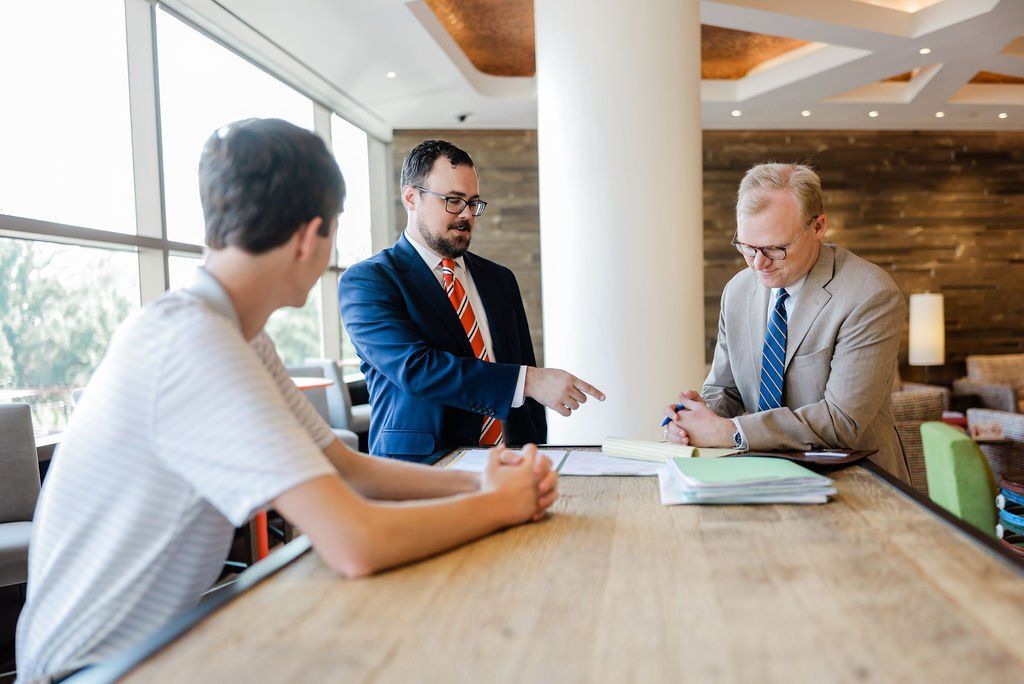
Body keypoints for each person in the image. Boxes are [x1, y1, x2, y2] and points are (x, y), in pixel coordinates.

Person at [15, 119, 557, 683]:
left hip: (162, 643)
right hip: (94, 670)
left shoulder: (236, 334)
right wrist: (503, 503)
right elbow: (356, 542)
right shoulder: (196, 343)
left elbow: (344, 466)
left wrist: (483, 478)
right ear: (310, 236)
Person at [339, 140, 604, 463]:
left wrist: (537, 453)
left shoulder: (500, 279)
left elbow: (522, 369)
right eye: (453, 201)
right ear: (411, 197)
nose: (466, 215)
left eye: (473, 202)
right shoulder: (369, 281)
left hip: (509, 463)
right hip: (419, 470)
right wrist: (530, 380)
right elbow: (416, 369)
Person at [663, 163, 909, 481]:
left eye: (775, 248)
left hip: (856, 483)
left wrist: (730, 432)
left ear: (818, 227)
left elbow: (841, 421)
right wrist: (695, 418)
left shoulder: (869, 294)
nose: (759, 263)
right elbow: (725, 387)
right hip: (756, 475)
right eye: (747, 247)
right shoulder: (738, 289)